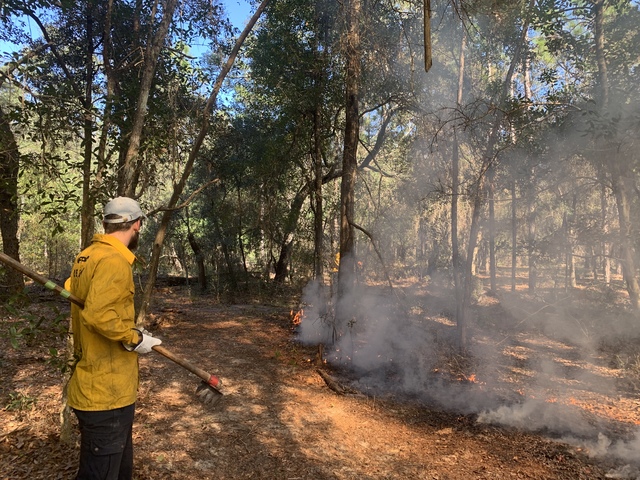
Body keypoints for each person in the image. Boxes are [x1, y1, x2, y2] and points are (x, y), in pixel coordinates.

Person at [66, 196, 161, 480]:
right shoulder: (114, 261)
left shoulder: (86, 256)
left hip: (104, 388)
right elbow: (98, 316)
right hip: (105, 396)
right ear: (137, 225)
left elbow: (76, 289)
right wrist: (135, 337)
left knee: (119, 472)